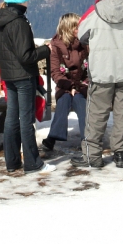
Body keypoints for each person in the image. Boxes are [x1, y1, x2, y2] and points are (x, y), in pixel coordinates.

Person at [70, 0, 123, 169]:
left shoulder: (94, 11)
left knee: (96, 114)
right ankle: (120, 154)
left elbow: (82, 36)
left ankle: (93, 156)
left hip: (102, 70)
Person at [0, 0, 55, 174]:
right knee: (26, 120)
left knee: (12, 119)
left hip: (9, 75)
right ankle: (33, 163)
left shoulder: (0, 19)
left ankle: (12, 162)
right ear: (23, 0)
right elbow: (25, 56)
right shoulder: (18, 22)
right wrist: (46, 50)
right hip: (23, 76)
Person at [42, 13, 89, 152]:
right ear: (68, 28)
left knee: (81, 102)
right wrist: (70, 86)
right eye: (76, 26)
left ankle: (87, 139)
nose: (79, 29)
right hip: (65, 85)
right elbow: (56, 72)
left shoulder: (85, 44)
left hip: (83, 84)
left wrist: (79, 86)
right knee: (64, 101)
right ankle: (53, 137)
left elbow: (91, 67)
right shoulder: (56, 46)